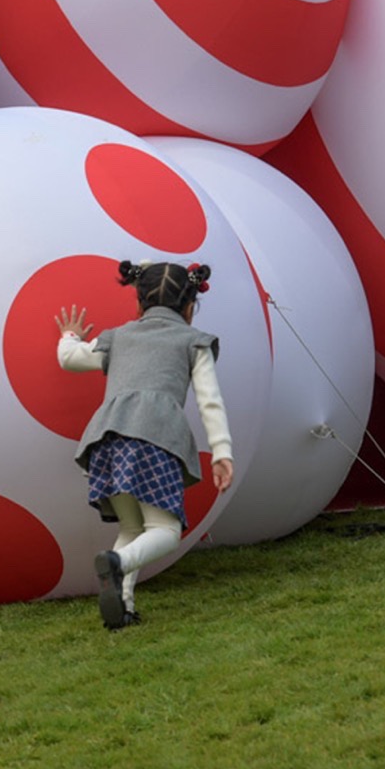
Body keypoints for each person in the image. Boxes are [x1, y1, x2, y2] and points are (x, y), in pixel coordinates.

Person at [56, 259, 234, 628]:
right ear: (189, 307)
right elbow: (209, 401)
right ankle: (118, 565)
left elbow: (70, 360)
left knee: (132, 528)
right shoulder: (193, 341)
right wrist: (222, 451)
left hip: (108, 440)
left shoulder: (120, 336)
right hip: (154, 438)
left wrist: (70, 335)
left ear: (138, 304)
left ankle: (122, 608)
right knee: (165, 531)